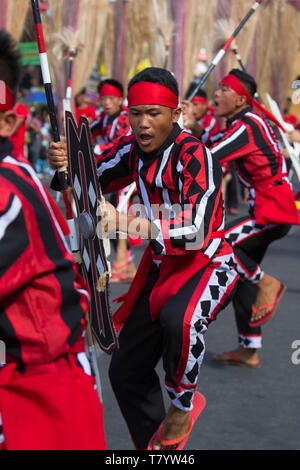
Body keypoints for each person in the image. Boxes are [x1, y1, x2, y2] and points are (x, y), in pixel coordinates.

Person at [48, 66, 239, 451]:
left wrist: (127, 223)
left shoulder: (195, 155)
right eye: (136, 113)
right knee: (125, 371)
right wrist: (68, 165)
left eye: (153, 113)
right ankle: (154, 449)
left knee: (180, 321)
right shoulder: (131, 150)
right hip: (158, 268)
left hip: (208, 263)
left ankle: (182, 406)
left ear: (174, 114)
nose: (143, 123)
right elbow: (92, 177)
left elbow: (196, 231)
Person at [0, 29, 106, 450]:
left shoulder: (7, 189)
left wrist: (77, 162)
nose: (136, 118)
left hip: (38, 398)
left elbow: (100, 174)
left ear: (9, 121)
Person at [209, 69, 300, 368]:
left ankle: (269, 283)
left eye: (223, 90)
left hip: (271, 211)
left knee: (220, 249)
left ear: (239, 98)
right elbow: (211, 145)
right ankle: (249, 349)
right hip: (268, 208)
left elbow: (208, 157)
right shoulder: (243, 123)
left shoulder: (246, 126)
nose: (216, 94)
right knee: (240, 273)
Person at [92, 78, 137, 283]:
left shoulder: (124, 119)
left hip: (125, 173)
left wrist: (98, 149)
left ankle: (121, 259)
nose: (107, 102)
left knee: (118, 214)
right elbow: (86, 132)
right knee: (114, 214)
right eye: (103, 98)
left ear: (120, 101)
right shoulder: (103, 119)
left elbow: (121, 144)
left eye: (111, 98)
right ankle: (128, 266)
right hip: (113, 171)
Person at [8, 89, 29, 159]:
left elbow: (11, 131)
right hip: (5, 152)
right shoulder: (5, 110)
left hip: (18, 152)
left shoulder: (22, 109)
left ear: (19, 94)